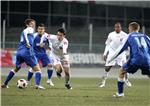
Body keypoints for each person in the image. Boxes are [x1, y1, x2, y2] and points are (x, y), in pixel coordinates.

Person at [107, 22, 150, 97]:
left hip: (135, 59)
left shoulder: (129, 36)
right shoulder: (146, 36)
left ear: (130, 28)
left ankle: (120, 94)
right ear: (138, 28)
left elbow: (121, 49)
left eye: (129, 28)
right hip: (147, 60)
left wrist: (110, 58)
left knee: (121, 71)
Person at [1, 19, 45, 89]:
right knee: (38, 69)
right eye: (31, 23)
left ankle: (5, 84)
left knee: (16, 68)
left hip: (19, 52)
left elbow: (29, 34)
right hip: (27, 52)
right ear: (27, 25)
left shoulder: (30, 32)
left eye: (33, 23)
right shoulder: (29, 29)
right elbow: (25, 31)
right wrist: (27, 42)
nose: (33, 25)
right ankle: (37, 85)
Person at [99, 22, 132, 87]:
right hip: (112, 53)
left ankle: (126, 80)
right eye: (116, 27)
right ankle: (103, 82)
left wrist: (129, 53)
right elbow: (107, 44)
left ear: (120, 27)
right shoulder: (111, 34)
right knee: (107, 68)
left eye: (118, 27)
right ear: (114, 28)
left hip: (121, 54)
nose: (117, 28)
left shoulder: (125, 35)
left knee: (125, 68)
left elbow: (128, 45)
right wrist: (105, 53)